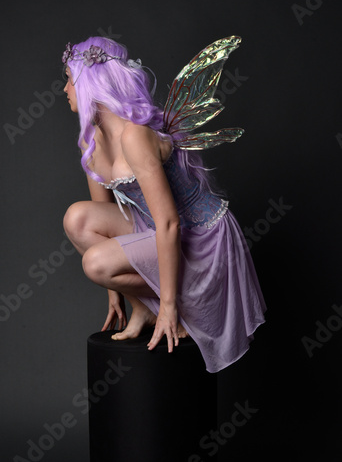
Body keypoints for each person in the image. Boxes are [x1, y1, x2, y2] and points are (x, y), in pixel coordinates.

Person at [62, 36, 266, 373]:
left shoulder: (135, 135)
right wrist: (116, 292)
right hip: (152, 230)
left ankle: (174, 304)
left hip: (199, 240)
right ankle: (144, 309)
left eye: (69, 79)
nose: (65, 89)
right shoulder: (90, 139)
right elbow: (104, 220)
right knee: (77, 218)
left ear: (89, 83)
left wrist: (168, 305)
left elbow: (170, 222)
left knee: (96, 263)